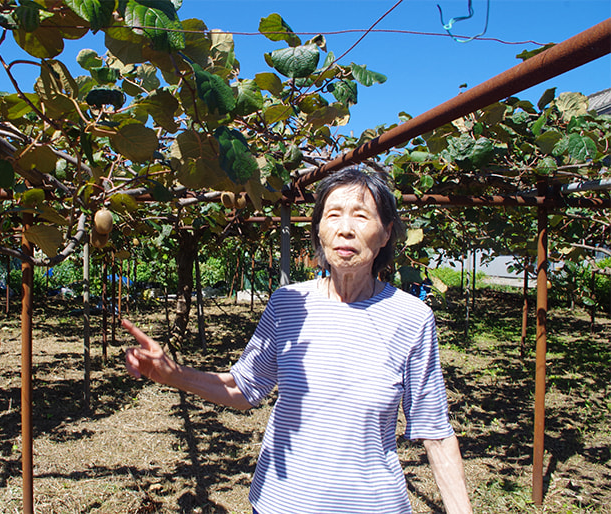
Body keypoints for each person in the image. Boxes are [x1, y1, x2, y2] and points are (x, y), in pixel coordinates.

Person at [122, 167, 473, 513]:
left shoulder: (411, 317)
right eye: (332, 215)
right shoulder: (288, 304)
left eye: (362, 216)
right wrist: (173, 375)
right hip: (280, 502)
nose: (345, 229)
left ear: (386, 233)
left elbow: (436, 432)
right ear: (319, 230)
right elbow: (244, 389)